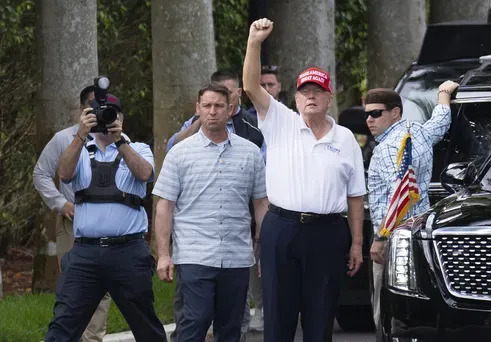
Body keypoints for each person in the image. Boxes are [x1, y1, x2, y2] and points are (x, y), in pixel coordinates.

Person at [242, 18, 367, 342]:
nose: (311, 97)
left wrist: (356, 243)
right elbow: (251, 86)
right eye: (305, 92)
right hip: (281, 228)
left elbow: (355, 196)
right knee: (278, 320)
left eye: (318, 91)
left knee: (320, 319)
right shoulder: (280, 121)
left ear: (329, 98)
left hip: (328, 233)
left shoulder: (345, 139)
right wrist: (254, 42)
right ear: (295, 99)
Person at [44, 94, 166, 341]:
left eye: (110, 114)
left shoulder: (138, 148)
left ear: (120, 118)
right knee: (63, 325)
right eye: (97, 114)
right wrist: (81, 134)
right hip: (85, 255)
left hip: (128, 253)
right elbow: (64, 174)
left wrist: (119, 141)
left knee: (146, 326)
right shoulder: (79, 149)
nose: (104, 120)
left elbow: (145, 174)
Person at [153, 83, 269, 342]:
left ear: (230, 110)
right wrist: (163, 255)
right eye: (207, 106)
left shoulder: (250, 153)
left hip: (237, 255)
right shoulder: (179, 153)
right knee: (195, 319)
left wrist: (264, 252)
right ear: (198, 109)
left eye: (219, 106)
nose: (213, 111)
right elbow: (165, 205)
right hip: (194, 254)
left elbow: (261, 204)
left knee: (231, 327)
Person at [365, 81, 459, 330]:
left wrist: (379, 238)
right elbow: (440, 123)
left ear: (395, 112)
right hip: (419, 234)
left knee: (385, 314)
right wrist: (444, 94)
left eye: (376, 113)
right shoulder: (417, 131)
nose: (369, 120)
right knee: (416, 313)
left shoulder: (386, 149)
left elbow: (398, 196)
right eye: (367, 114)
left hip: (392, 239)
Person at [33, 85, 112, 342]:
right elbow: (41, 174)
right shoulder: (63, 138)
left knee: (103, 288)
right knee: (71, 287)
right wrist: (59, 202)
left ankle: (92, 339)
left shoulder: (118, 139)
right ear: (81, 110)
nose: (99, 111)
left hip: (106, 226)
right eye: (93, 106)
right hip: (72, 224)